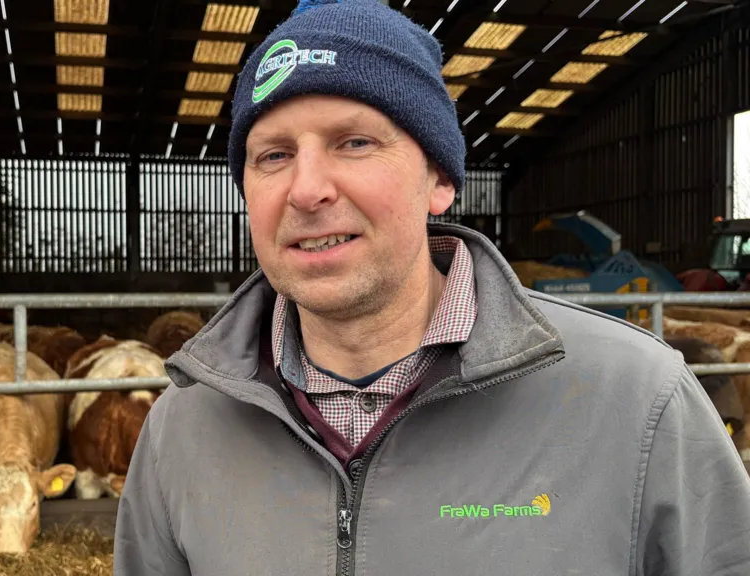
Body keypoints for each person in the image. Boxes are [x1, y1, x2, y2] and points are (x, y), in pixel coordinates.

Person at [113, 0, 750, 573]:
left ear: (440, 180)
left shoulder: (638, 404)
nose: (306, 189)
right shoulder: (181, 429)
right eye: (273, 155)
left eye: (355, 142)